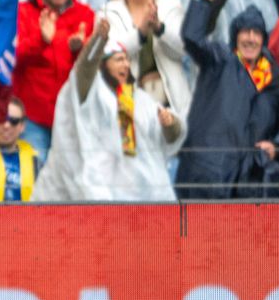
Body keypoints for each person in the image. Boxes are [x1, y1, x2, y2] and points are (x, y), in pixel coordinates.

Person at [33, 18, 185, 200]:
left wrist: (170, 124)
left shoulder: (133, 99)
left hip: (120, 199)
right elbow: (85, 68)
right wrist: (98, 40)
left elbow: (167, 139)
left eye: (127, 60)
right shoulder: (88, 91)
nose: (126, 65)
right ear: (103, 65)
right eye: (119, 60)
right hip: (67, 192)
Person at [177, 0, 279, 199]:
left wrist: (276, 145)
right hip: (207, 174)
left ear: (263, 39)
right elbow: (192, 37)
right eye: (245, 32)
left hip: (248, 182)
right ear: (235, 37)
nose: (250, 38)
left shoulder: (275, 80)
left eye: (256, 33)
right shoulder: (220, 59)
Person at [100, 0, 191, 117]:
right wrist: (140, 33)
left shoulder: (171, 6)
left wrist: (159, 29)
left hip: (172, 104)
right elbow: (108, 55)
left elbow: (184, 49)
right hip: (127, 104)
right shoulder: (108, 12)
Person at [13, 0, 95, 160]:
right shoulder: (22, 12)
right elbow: (12, 58)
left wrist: (80, 50)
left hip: (70, 118)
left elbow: (92, 69)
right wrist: (41, 40)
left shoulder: (85, 14)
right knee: (33, 171)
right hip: (32, 116)